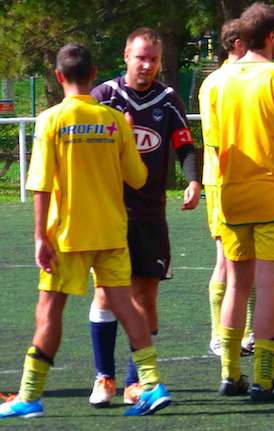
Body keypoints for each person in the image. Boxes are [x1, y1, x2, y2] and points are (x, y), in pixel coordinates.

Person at [0, 43, 171, 418]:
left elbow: (41, 184)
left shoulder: (52, 119)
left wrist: (40, 237)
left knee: (49, 312)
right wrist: (125, 137)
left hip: (69, 235)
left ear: (59, 77)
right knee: (127, 307)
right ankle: (152, 383)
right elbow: (138, 178)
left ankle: (29, 395)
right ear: (94, 76)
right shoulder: (115, 121)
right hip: (111, 231)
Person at [88, 28, 200, 407]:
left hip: (150, 213)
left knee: (145, 296)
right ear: (126, 56)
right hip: (109, 212)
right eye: (141, 58)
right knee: (104, 293)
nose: (147, 65)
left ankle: (136, 382)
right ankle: (104, 378)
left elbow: (184, 143)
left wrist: (193, 180)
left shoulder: (168, 99)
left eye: (153, 59)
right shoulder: (104, 97)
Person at [211, 2, 274, 401]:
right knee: (269, 289)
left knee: (237, 285)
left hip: (232, 196)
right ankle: (264, 380)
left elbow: (216, 145)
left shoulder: (216, 82)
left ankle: (229, 373)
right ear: (271, 36)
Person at [199, 19, 256, 358]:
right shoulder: (217, 83)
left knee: (249, 258)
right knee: (227, 258)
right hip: (223, 180)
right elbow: (217, 141)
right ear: (236, 44)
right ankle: (219, 335)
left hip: (250, 179)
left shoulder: (249, 79)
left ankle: (246, 333)